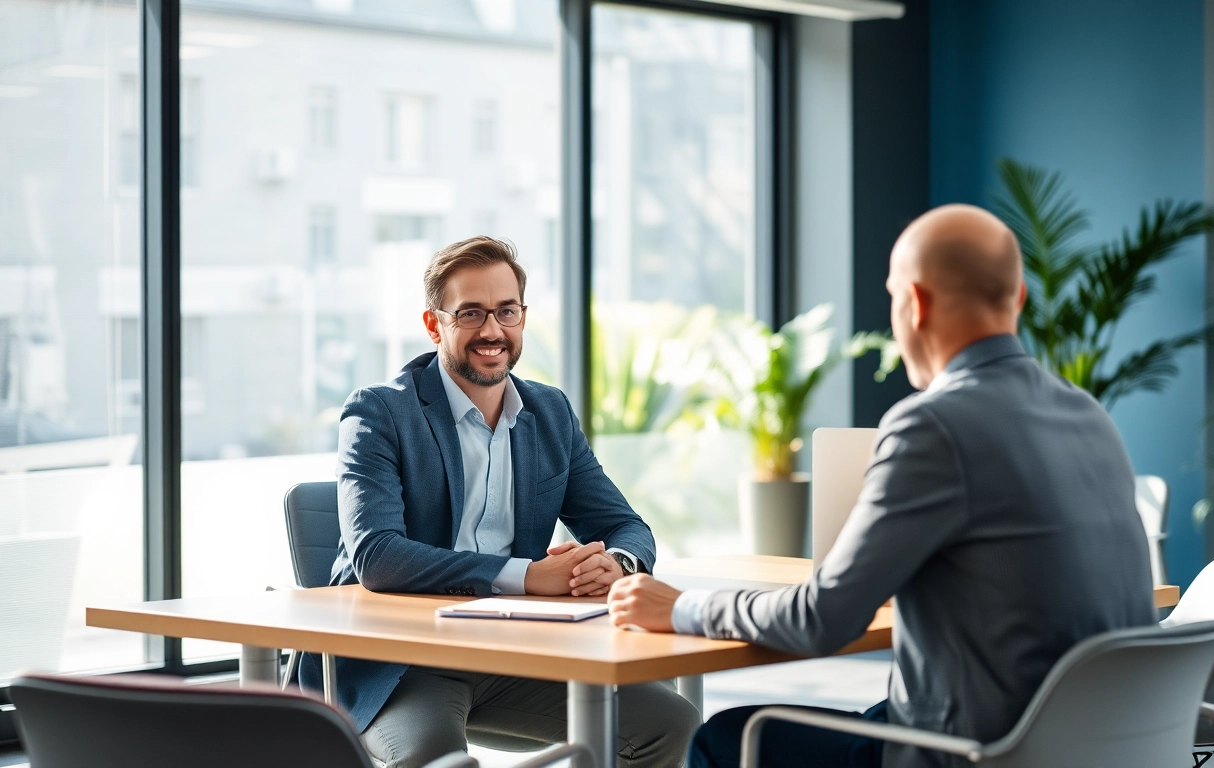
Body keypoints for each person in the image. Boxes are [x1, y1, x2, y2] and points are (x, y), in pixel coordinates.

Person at [607, 204, 1157, 768]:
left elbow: (822, 620)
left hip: (978, 751)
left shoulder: (934, 424)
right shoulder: (1087, 413)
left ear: (915, 304)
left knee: (725, 737)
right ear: (1017, 299)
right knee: (873, 714)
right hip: (1093, 743)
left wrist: (682, 608)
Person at [300, 236, 699, 768]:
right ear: (433, 323)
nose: (492, 330)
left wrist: (614, 566)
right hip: (401, 663)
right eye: (471, 313)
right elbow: (377, 556)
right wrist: (528, 576)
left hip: (516, 653)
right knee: (438, 760)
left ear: (523, 316)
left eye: (506, 311)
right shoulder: (379, 413)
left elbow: (624, 524)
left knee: (672, 724)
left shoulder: (549, 411)